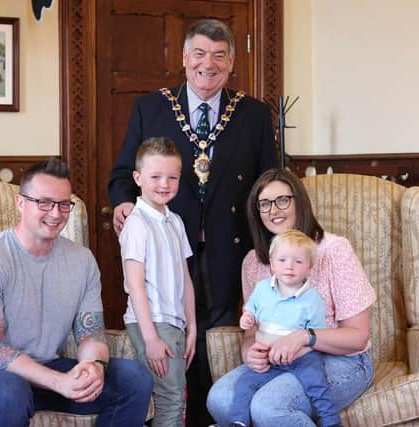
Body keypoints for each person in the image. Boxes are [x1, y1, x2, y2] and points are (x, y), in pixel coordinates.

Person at [108, 19, 278, 425]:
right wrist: (122, 205)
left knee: (212, 340)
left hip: (228, 246)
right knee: (167, 336)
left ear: (232, 62)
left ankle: (208, 418)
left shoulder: (253, 114)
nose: (209, 64)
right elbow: (121, 175)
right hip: (164, 246)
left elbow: (270, 180)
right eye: (199, 53)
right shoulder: (150, 107)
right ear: (184, 58)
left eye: (219, 55)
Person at [0, 158, 153, 427]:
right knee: (11, 392)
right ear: (21, 202)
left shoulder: (82, 261)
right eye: (43, 203)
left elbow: (90, 333)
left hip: (47, 370)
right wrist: (60, 382)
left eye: (63, 204)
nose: (55, 214)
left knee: (134, 378)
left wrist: (94, 366)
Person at [207, 168, 376, 427]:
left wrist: (303, 337)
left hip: (343, 361)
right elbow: (252, 333)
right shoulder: (253, 262)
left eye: (282, 200)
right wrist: (249, 351)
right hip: (277, 362)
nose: (274, 210)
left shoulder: (334, 251)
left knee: (268, 407)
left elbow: (358, 336)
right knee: (219, 399)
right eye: (264, 204)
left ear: (300, 201)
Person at [120, 137, 197, 426]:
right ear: (138, 178)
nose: (164, 184)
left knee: (177, 397)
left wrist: (192, 327)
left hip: (175, 322)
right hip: (152, 322)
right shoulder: (137, 223)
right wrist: (151, 338)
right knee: (171, 399)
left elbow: (185, 278)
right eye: (155, 177)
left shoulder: (175, 221)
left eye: (172, 177)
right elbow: (135, 284)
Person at [230, 229, 340, 427]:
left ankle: (331, 421)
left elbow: (315, 335)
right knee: (244, 385)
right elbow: (250, 312)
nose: (289, 266)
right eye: (282, 260)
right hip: (267, 357)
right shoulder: (262, 289)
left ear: (309, 268)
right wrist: (246, 319)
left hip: (302, 358)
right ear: (272, 265)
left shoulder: (313, 299)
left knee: (317, 384)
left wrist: (299, 351)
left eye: (298, 262)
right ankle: (238, 422)